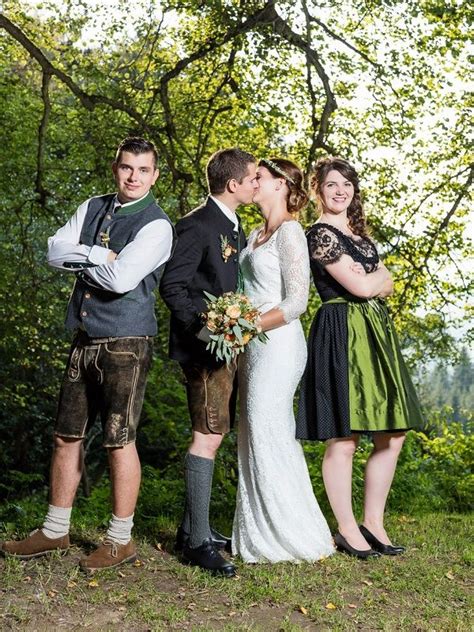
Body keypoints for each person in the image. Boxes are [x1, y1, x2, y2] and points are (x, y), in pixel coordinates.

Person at [1, 137, 175, 571]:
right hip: (84, 337)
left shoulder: (157, 225)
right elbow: (53, 252)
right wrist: (99, 254)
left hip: (127, 343)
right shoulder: (92, 206)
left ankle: (120, 540)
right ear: (116, 168)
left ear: (155, 175)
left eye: (143, 170)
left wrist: (81, 259)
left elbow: (120, 281)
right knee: (66, 435)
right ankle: (54, 530)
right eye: (126, 167)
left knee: (119, 440)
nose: (133, 177)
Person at [296, 157, 424, 559]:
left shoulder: (360, 238)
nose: (341, 191)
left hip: (375, 335)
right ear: (318, 190)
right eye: (332, 184)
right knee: (345, 436)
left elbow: (384, 283)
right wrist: (374, 280)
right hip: (342, 333)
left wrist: (374, 280)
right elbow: (365, 288)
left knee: (393, 433)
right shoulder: (319, 235)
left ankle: (374, 523)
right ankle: (347, 528)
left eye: (347, 185)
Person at [160, 147, 257, 577]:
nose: (257, 185)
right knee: (207, 436)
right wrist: (207, 331)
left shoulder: (232, 225)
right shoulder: (197, 224)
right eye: (253, 179)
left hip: (226, 348)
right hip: (203, 349)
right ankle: (197, 544)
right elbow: (173, 287)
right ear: (234, 184)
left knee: (214, 433)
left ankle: (191, 530)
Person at [232, 158, 335, 563]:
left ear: (281, 185)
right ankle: (258, 531)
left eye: (259, 177)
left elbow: (296, 303)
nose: (252, 181)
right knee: (251, 429)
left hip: (278, 344)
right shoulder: (255, 234)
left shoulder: (291, 232)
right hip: (251, 345)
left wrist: (248, 326)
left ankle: (294, 533)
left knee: (268, 426)